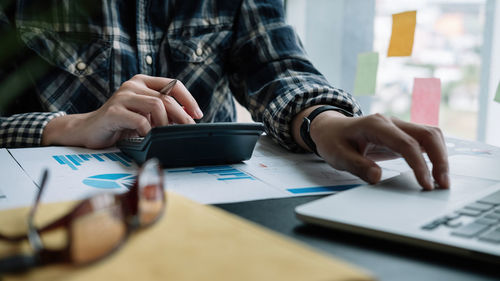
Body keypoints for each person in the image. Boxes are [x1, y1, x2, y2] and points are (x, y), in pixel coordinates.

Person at [0, 0, 449, 190]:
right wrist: (71, 126)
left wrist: (323, 121)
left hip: (217, 201)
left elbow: (275, 65)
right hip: (60, 214)